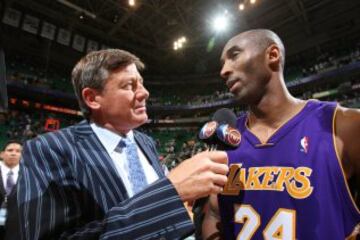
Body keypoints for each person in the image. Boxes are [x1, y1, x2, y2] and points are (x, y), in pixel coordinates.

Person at [16, 49, 229, 239]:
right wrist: (169, 192)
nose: (144, 92)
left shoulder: (146, 142)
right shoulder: (50, 148)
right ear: (92, 98)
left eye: (142, 83)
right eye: (129, 85)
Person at [202, 29, 360, 239]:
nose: (223, 70)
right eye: (222, 63)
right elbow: (213, 213)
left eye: (234, 55)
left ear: (273, 55)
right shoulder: (227, 138)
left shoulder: (342, 125)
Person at [0, 140, 22, 239]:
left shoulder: (30, 174)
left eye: (18, 151)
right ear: (2, 154)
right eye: (10, 150)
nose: (13, 153)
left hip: (17, 226)